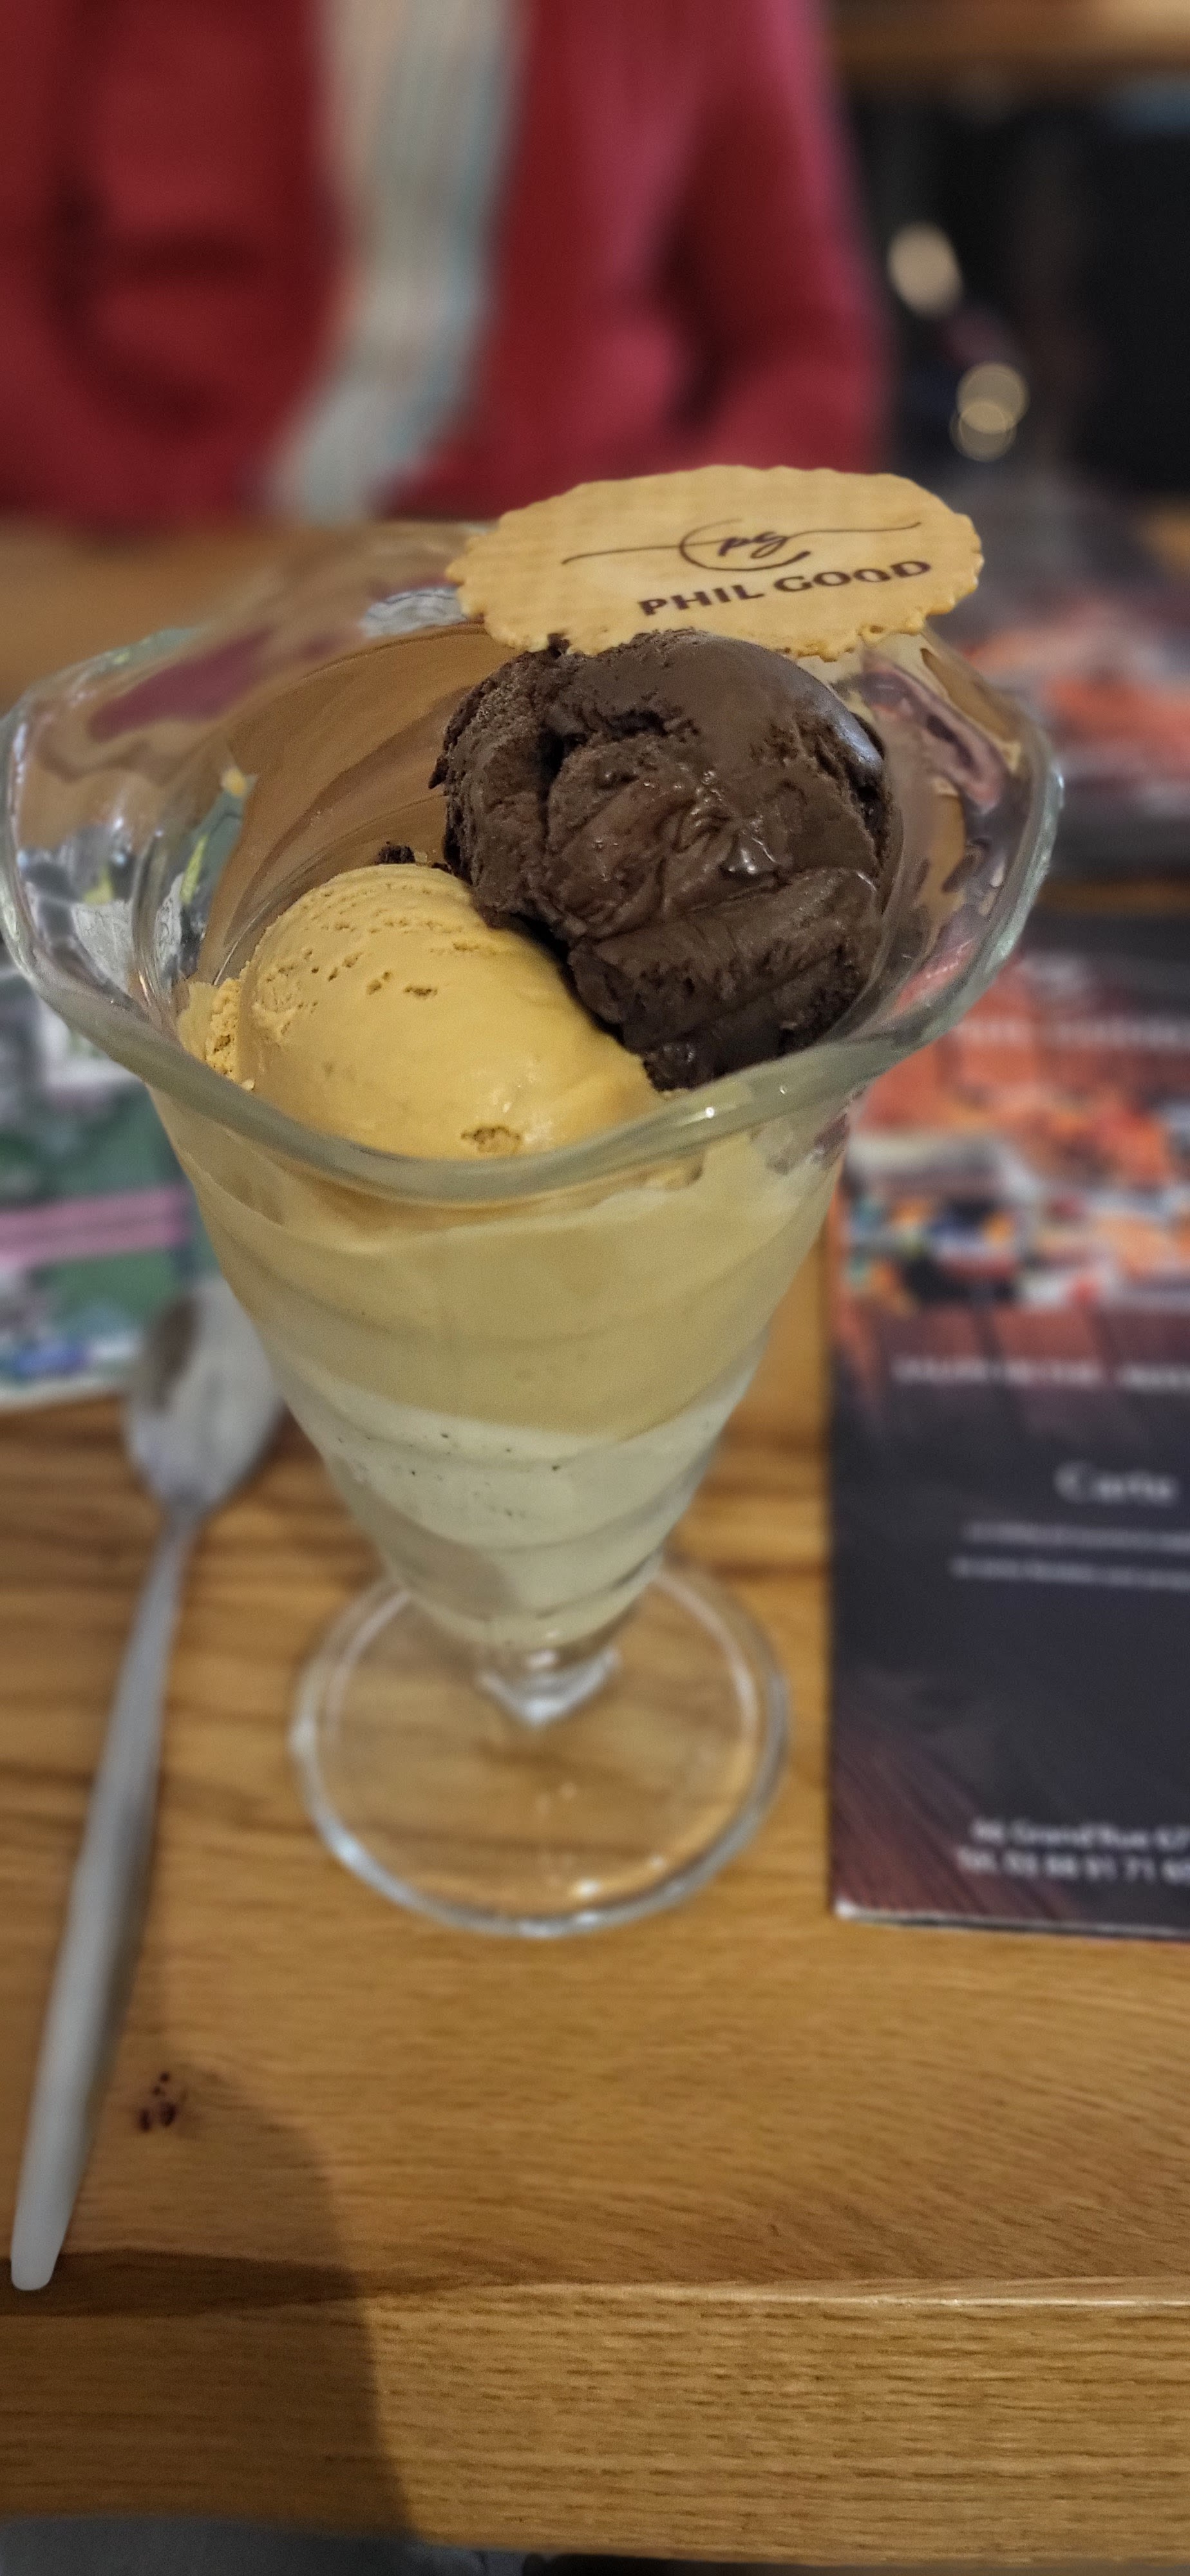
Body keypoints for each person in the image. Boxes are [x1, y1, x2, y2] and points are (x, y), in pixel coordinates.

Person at [0, 0, 884, 527]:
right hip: (165, 562)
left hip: (570, 579)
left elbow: (805, 345)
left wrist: (669, 549)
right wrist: (148, 508)